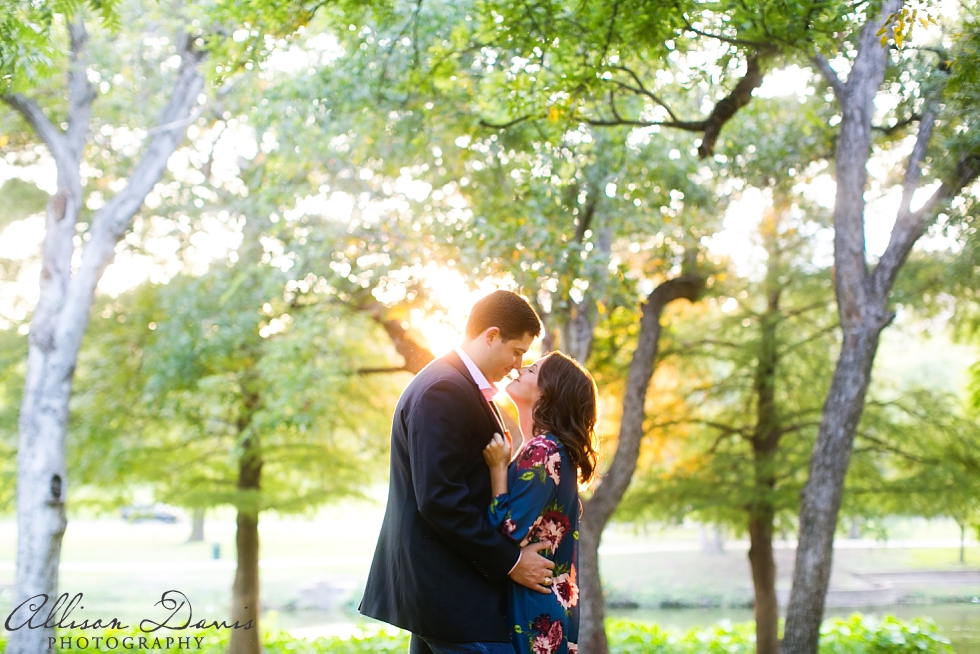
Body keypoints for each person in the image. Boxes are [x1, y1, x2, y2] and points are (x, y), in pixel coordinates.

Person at [360, 290, 557, 654]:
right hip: (450, 593)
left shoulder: (456, 385)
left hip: (442, 592)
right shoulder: (443, 390)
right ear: (491, 335)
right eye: (517, 350)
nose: (517, 364)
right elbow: (440, 500)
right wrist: (511, 561)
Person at [482, 352, 598, 654]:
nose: (520, 369)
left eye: (532, 369)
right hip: (542, 606)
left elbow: (505, 533)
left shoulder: (543, 450)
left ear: (548, 390)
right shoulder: (550, 449)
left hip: (531, 612)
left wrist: (497, 470)